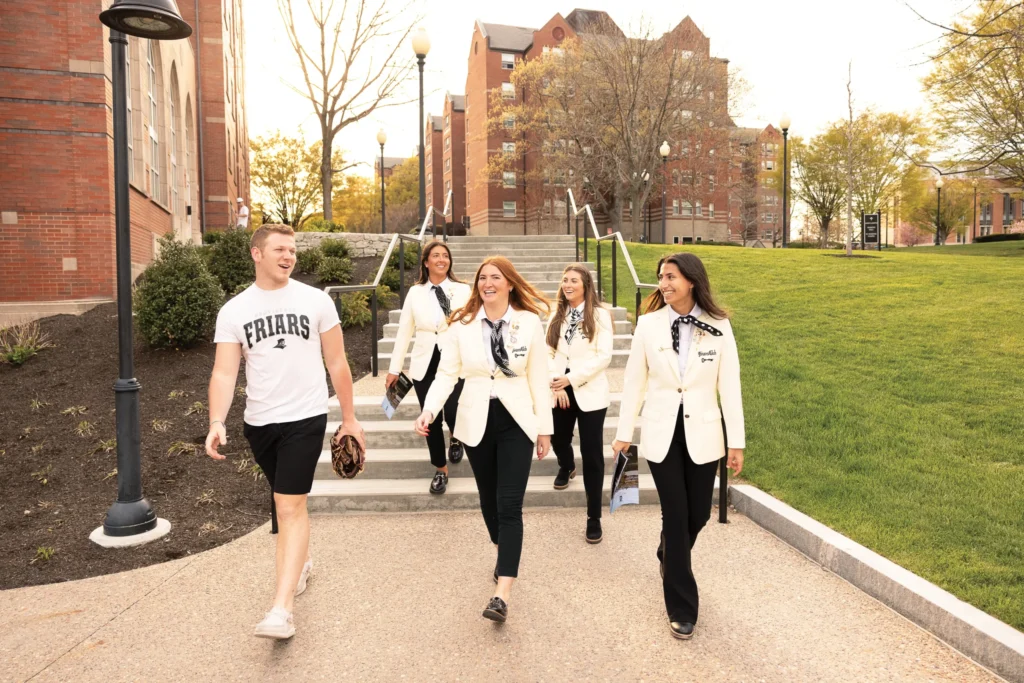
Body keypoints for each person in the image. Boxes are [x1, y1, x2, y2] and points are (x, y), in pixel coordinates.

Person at [204, 223, 365, 640]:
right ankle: (303, 562)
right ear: (257, 253)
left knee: (288, 505)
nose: (288, 256)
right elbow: (224, 372)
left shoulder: (316, 301)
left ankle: (281, 610)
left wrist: (349, 418)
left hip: (306, 418)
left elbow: (338, 363)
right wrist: (217, 421)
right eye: (279, 249)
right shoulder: (234, 310)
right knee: (287, 503)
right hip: (259, 424)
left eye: (292, 250)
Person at [611, 252, 744, 641]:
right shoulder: (648, 325)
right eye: (660, 278)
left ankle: (669, 551)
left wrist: (736, 441)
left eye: (670, 277)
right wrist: (623, 431)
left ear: (690, 280)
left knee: (698, 514)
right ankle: (682, 607)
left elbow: (729, 385)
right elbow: (635, 382)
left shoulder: (718, 324)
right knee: (675, 512)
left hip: (704, 432)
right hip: (661, 432)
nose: (663, 284)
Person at [413, 256, 553, 623]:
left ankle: (502, 592)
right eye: (482, 278)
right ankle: (502, 548)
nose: (487, 283)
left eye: (496, 277)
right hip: (475, 418)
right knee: (489, 502)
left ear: (510, 283)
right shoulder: (462, 324)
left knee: (510, 505)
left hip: (516, 420)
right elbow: (446, 374)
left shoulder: (528, 322)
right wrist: (429, 410)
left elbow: (539, 376)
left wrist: (544, 428)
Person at [385, 240, 471, 494]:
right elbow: (403, 332)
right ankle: (440, 469)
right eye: (436, 256)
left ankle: (456, 436)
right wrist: (394, 368)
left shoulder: (462, 290)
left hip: (454, 358)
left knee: (454, 411)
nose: (442, 259)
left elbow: (469, 323)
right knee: (431, 418)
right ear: (426, 262)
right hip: (424, 361)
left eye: (445, 255)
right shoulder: (415, 292)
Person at [545, 264, 613, 543]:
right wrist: (555, 380)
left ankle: (593, 516)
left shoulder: (600, 315)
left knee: (593, 455)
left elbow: (603, 356)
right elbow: (546, 351)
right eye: (564, 280)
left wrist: (571, 380)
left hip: (589, 390)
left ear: (586, 285)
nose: (567, 284)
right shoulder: (555, 314)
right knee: (559, 438)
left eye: (574, 280)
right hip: (559, 388)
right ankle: (566, 464)